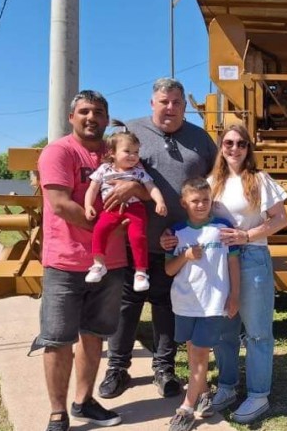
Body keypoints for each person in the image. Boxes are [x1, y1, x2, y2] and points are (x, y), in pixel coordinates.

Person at [98, 78, 218, 400]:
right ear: (152, 103)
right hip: (133, 239)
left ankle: (164, 368)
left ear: (184, 106)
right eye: (164, 101)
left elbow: (216, 180)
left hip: (177, 245)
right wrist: (131, 189)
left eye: (176, 102)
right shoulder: (132, 131)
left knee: (167, 306)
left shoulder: (201, 139)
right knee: (127, 305)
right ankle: (117, 368)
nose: (170, 108)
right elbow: (108, 172)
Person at [162, 124, 287, 424]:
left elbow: (281, 218)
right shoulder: (211, 183)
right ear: (221, 147)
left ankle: (258, 394)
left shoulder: (259, 179)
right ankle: (228, 386)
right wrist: (169, 236)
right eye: (229, 143)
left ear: (248, 148)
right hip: (217, 263)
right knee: (224, 331)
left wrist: (247, 235)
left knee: (257, 331)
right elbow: (195, 220)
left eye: (241, 143)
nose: (235, 148)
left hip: (252, 257)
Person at [34, 90, 125, 431]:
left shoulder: (115, 153)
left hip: (111, 263)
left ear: (107, 119)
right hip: (66, 263)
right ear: (71, 117)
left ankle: (83, 401)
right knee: (57, 339)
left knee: (95, 335)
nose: (91, 117)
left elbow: (137, 185)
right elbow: (60, 203)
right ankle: (58, 412)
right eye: (84, 111)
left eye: (98, 112)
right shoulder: (59, 151)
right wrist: (105, 229)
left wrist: (134, 190)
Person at [164, 178, 240, 431]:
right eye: (195, 200)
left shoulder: (223, 227)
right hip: (184, 303)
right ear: (184, 203)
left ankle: (186, 408)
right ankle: (204, 393)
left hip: (212, 303)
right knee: (193, 352)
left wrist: (235, 295)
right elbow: (169, 270)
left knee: (199, 354)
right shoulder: (175, 232)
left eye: (206, 200)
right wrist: (186, 256)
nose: (201, 205)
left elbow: (233, 263)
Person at [84, 129, 167, 292]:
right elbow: (92, 189)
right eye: (127, 151)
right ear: (112, 153)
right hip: (110, 208)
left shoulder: (138, 171)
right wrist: (88, 205)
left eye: (136, 152)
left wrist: (160, 201)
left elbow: (151, 187)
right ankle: (98, 264)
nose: (133, 156)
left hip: (135, 209)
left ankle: (141, 272)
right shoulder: (104, 169)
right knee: (100, 229)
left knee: (138, 236)